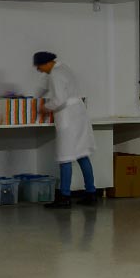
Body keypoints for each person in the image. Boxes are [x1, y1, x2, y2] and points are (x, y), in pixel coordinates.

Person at [34, 51, 97, 209]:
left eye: (39, 66)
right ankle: (91, 192)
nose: (39, 70)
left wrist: (44, 108)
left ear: (47, 63)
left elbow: (59, 99)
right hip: (79, 114)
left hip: (68, 117)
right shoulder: (63, 68)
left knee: (65, 157)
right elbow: (46, 87)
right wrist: (37, 95)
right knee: (82, 155)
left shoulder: (55, 74)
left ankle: (64, 196)